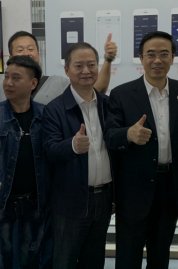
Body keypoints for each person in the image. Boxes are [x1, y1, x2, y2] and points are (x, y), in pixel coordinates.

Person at [104, 30, 178, 269]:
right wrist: (128, 134)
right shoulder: (122, 94)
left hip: (170, 188)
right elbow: (109, 135)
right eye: (151, 54)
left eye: (164, 54)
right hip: (133, 190)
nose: (157, 60)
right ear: (141, 58)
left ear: (173, 58)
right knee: (128, 256)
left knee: (160, 255)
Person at [0, 55, 49, 269]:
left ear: (33, 83)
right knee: (2, 259)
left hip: (36, 201)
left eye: (16, 78)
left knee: (31, 258)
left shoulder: (46, 114)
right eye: (6, 77)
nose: (8, 83)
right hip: (2, 202)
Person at [43, 43, 112, 269]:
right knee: (65, 261)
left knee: (95, 261)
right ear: (67, 70)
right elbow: (50, 151)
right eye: (79, 65)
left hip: (104, 198)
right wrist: (72, 145)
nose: (86, 71)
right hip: (70, 200)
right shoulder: (54, 109)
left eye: (91, 65)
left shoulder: (108, 105)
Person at [0, 31, 117, 105]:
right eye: (20, 50)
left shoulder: (59, 83)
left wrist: (108, 60)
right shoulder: (0, 91)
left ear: (38, 55)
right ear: (10, 57)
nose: (26, 53)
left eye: (30, 49)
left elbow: (96, 90)